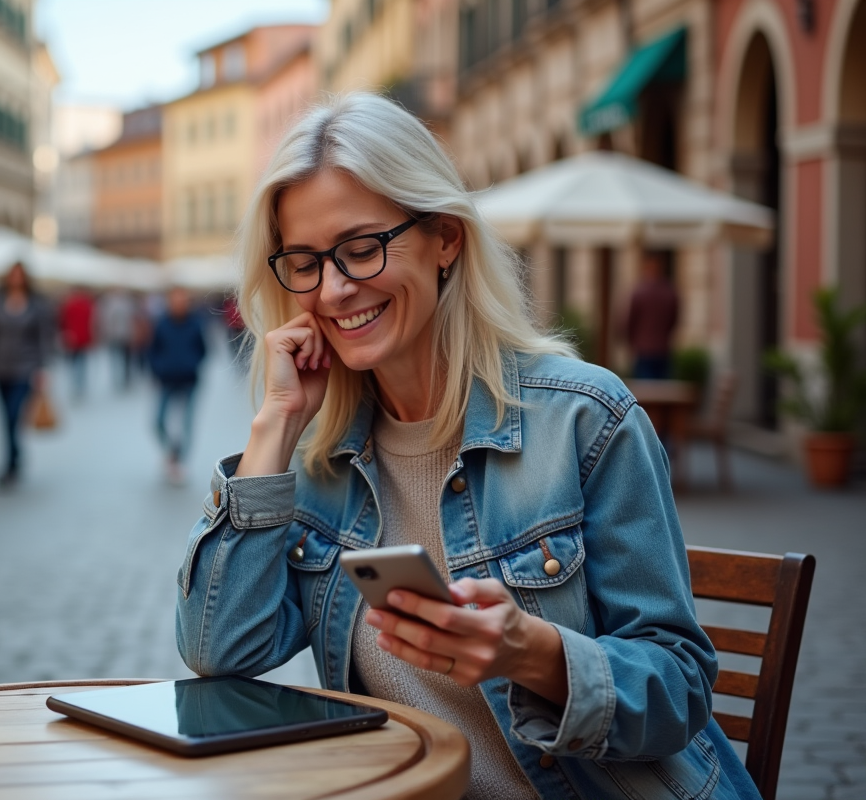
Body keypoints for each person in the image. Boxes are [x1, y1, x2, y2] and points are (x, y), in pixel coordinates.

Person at [175, 94, 760, 800]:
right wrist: (273, 427)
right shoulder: (319, 456)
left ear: (445, 238)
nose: (333, 289)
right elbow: (219, 650)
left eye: (361, 248)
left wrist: (534, 655)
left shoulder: (585, 419)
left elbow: (682, 688)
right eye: (304, 261)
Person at [0, 261, 54, 489]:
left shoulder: (36, 304)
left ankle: (11, 463)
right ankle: (13, 458)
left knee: (13, 415)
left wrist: (42, 367)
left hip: (25, 367)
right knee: (4, 417)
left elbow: (44, 337)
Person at [148, 287, 207, 485]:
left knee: (186, 423)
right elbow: (153, 349)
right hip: (166, 379)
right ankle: (172, 450)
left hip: (189, 379)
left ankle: (180, 461)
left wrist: (192, 363)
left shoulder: (195, 323)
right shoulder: (162, 323)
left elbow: (203, 349)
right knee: (158, 421)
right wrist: (158, 368)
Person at [624, 251, 680, 380]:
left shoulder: (639, 292)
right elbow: (674, 320)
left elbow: (630, 322)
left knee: (645, 391)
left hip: (643, 349)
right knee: (662, 391)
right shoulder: (669, 291)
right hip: (663, 348)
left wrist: (632, 341)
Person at [58, 288, 95, 400]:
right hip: (83, 337)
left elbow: (62, 321)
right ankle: (79, 385)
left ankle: (76, 385)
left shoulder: (69, 304)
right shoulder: (87, 305)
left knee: (73, 362)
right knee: (81, 363)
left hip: (72, 338)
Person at [97, 289, 137, 391]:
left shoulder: (108, 305)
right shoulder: (127, 305)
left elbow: (105, 321)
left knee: (118, 359)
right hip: (122, 335)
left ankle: (120, 379)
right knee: (124, 360)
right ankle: (124, 379)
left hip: (118, 335)